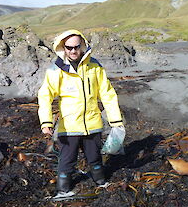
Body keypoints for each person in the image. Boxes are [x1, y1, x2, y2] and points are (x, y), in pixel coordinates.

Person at [37, 29, 123, 194]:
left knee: (95, 157)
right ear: (63, 48)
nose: (73, 51)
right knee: (67, 161)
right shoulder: (56, 69)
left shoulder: (95, 66)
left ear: (82, 45)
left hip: (93, 123)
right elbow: (45, 95)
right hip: (69, 127)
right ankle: (63, 191)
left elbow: (107, 93)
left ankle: (100, 182)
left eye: (76, 47)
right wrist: (46, 122)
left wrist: (116, 121)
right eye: (69, 47)